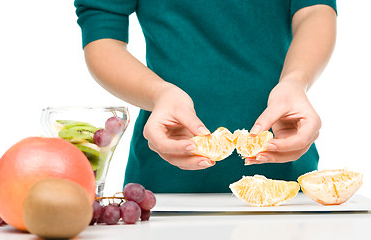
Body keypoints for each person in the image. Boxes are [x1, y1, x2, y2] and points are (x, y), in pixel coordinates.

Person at [74, 0, 337, 192]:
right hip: (165, 186)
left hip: (287, 184)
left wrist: (296, 81)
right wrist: (159, 94)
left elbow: (316, 9)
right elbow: (102, 34)